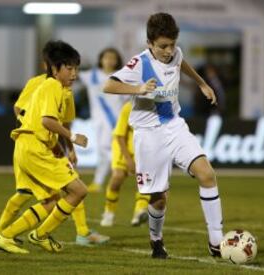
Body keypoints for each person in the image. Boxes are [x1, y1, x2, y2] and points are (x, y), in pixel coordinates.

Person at [103, 13, 223, 259]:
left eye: (172, 44)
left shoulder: (176, 54)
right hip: (148, 135)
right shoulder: (140, 64)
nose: (169, 51)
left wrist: (201, 83)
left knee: (207, 174)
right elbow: (109, 85)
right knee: (158, 199)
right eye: (163, 46)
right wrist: (138, 88)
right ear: (149, 43)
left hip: (174, 125)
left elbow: (181, 62)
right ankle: (156, 241)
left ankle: (216, 242)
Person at [0, 41, 109, 248]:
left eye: (76, 68)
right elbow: (40, 118)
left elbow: (62, 121)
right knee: (77, 190)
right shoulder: (47, 85)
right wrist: (71, 139)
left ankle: (9, 235)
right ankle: (26, 234)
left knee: (51, 199)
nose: (74, 74)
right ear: (52, 67)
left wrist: (66, 148)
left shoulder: (65, 90)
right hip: (33, 146)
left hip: (37, 145)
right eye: (69, 68)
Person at [79, 48, 128, 193]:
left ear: (117, 60)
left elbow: (127, 100)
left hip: (116, 121)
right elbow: (71, 75)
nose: (109, 60)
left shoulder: (121, 77)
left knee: (105, 150)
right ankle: (111, 176)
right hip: (98, 121)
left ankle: (106, 178)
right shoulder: (91, 75)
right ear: (101, 59)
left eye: (113, 58)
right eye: (106, 57)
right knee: (105, 151)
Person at [100, 101, 150, 227]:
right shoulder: (129, 107)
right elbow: (119, 135)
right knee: (118, 177)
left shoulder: (158, 108)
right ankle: (108, 213)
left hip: (143, 149)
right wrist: (128, 159)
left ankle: (139, 213)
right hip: (123, 146)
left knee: (144, 181)